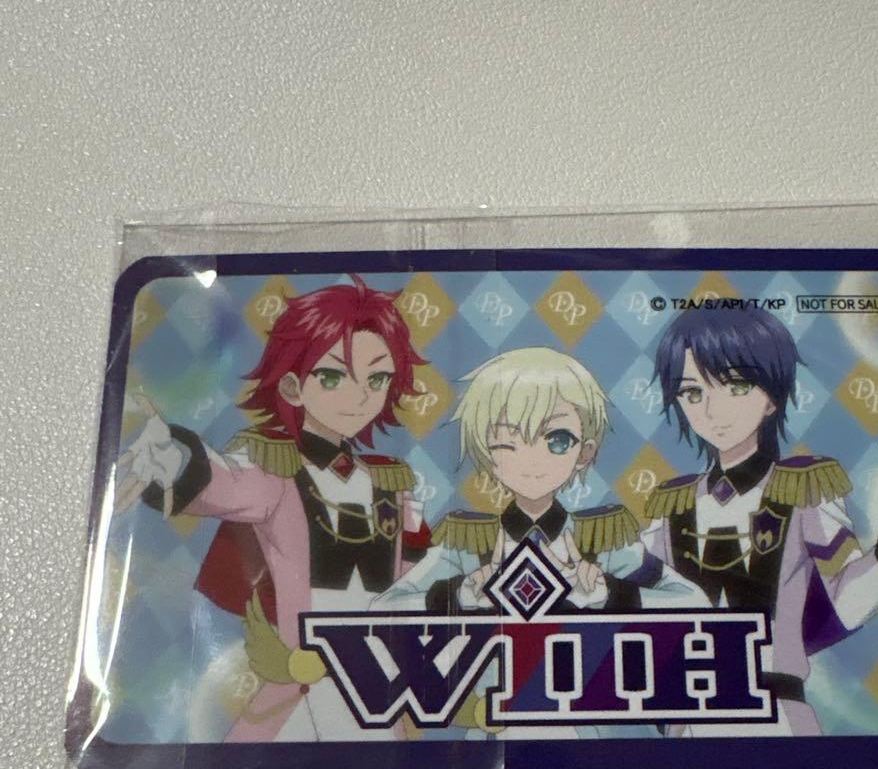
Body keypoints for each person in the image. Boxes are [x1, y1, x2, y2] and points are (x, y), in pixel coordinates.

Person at [118, 275, 430, 742]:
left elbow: (415, 585)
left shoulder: (391, 482)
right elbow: (220, 482)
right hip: (302, 685)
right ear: (292, 387)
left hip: (380, 691)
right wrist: (172, 457)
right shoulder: (277, 471)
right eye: (333, 376)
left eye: (377, 378)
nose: (360, 395)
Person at [642, 307, 878, 736]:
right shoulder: (672, 506)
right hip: (687, 720)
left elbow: (841, 599)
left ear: (772, 396)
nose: (711, 409)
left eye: (736, 386)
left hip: (775, 713)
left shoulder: (803, 488)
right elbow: (646, 613)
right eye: (692, 393)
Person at [372, 347, 709, 738]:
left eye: (557, 440)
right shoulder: (468, 542)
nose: (531, 459)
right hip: (492, 729)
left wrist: (612, 595)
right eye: (508, 440)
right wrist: (458, 595)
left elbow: (694, 604)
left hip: (591, 731)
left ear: (585, 452)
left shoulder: (599, 539)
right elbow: (382, 612)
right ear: (486, 450)